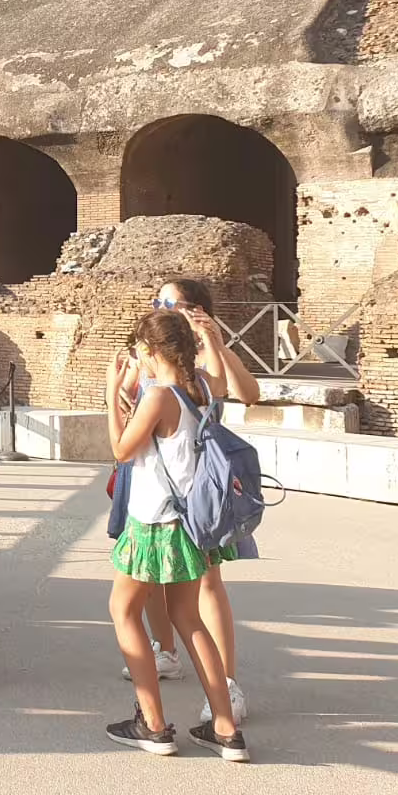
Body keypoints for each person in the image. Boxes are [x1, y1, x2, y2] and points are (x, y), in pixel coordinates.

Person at [110, 277, 258, 725]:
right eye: (160, 301)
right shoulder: (183, 375)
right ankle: (211, 709)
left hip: (177, 499)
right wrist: (125, 389)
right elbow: (135, 400)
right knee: (169, 598)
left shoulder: (191, 373)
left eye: (175, 304)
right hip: (165, 485)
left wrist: (216, 339)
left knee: (161, 597)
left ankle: (177, 711)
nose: (166, 307)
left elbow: (245, 392)